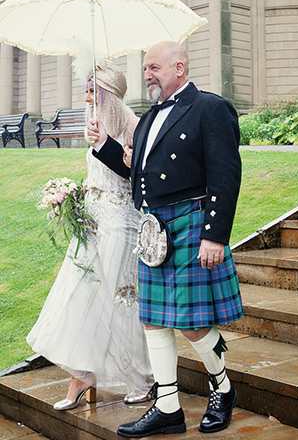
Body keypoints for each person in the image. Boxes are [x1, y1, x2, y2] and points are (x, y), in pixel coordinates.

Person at [87, 41, 243, 437]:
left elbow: (226, 174)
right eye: (144, 68)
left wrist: (215, 235)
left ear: (179, 67)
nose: (147, 74)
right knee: (154, 321)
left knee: (192, 323)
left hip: (192, 223)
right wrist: (103, 144)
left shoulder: (210, 108)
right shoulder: (151, 117)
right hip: (155, 229)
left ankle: (222, 387)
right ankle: (168, 408)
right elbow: (135, 174)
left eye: (153, 67)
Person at [27, 60, 153, 411]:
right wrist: (76, 193)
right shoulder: (95, 123)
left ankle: (142, 377)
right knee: (80, 293)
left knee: (118, 298)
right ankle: (83, 374)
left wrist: (105, 144)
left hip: (120, 223)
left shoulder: (132, 125)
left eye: (92, 91)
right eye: (85, 90)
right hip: (92, 222)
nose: (86, 98)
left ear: (109, 93)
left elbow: (135, 174)